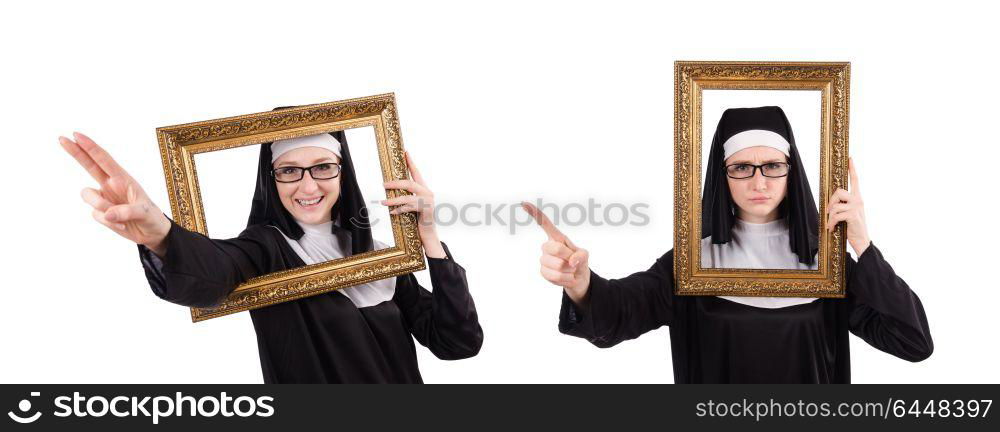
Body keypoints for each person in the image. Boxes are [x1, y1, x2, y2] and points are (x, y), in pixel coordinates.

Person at [524, 106, 932, 383]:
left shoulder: (827, 265)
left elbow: (912, 342)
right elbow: (615, 317)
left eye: (772, 166)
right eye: (740, 167)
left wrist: (862, 243)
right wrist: (579, 283)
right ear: (723, 176)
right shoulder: (692, 263)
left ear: (792, 173)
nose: (759, 182)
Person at [61, 128, 483, 384]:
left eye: (322, 167)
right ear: (273, 178)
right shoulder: (266, 247)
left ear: (342, 172)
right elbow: (212, 273)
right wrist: (162, 236)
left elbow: (457, 343)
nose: (307, 185)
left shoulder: (375, 255)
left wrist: (427, 235)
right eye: (289, 170)